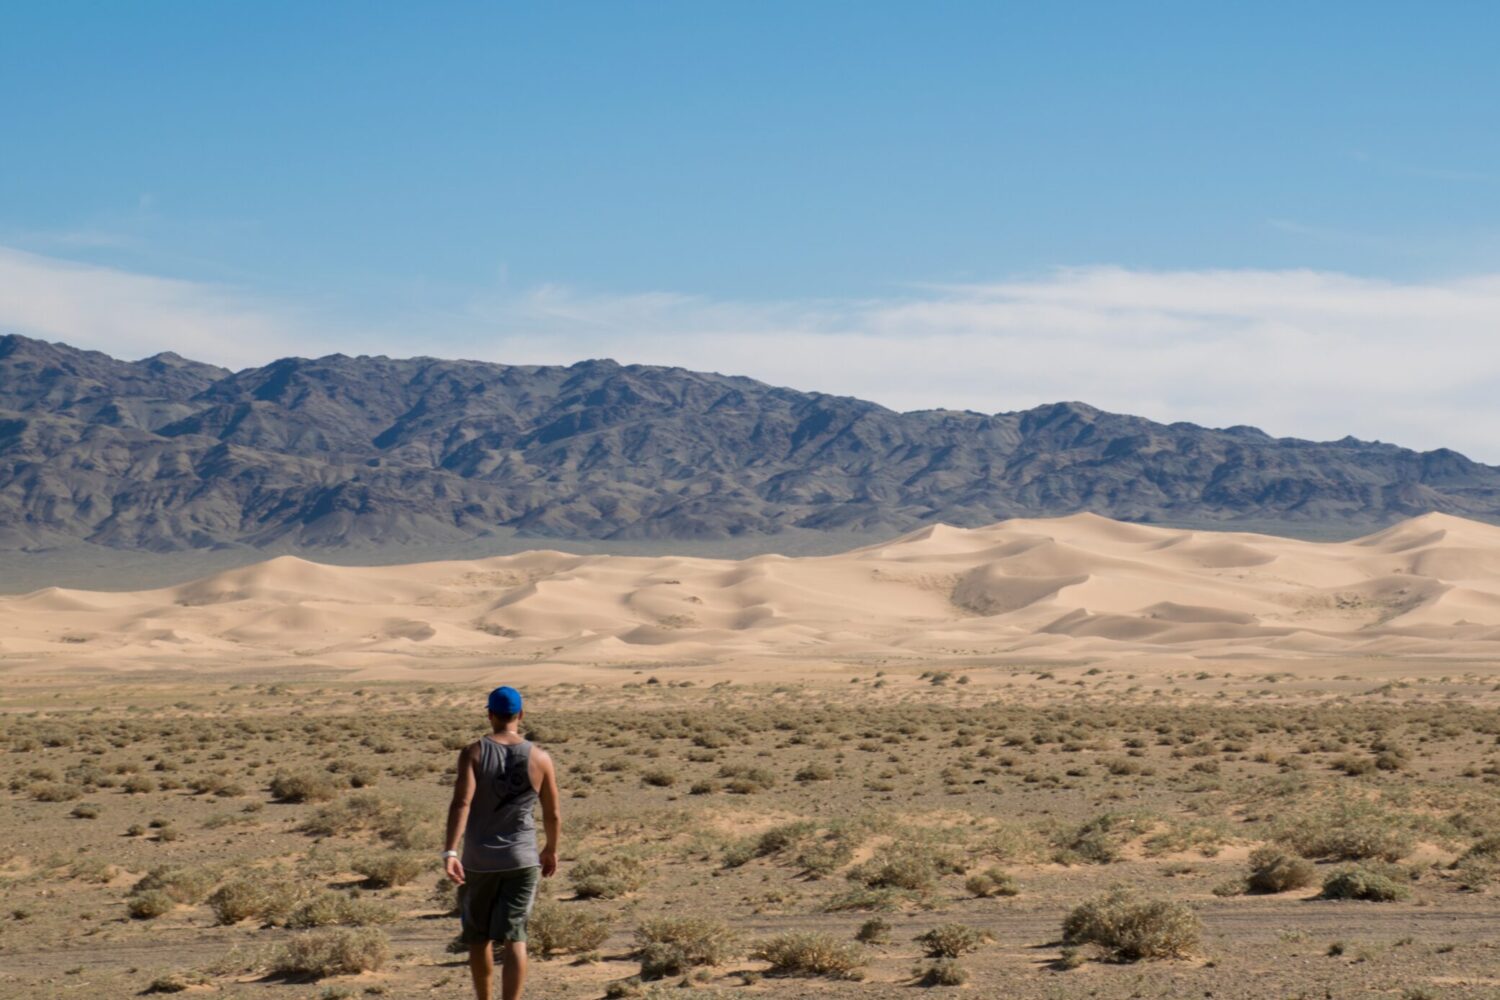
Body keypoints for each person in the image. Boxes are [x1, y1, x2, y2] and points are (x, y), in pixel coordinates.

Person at [443, 686, 561, 1000]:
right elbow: (553, 813)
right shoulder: (540, 757)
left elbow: (461, 804)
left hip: (479, 860)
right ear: (520, 715)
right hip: (521, 859)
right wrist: (550, 848)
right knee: (515, 937)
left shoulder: (474, 752)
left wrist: (451, 850)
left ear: (490, 715)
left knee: (478, 937)